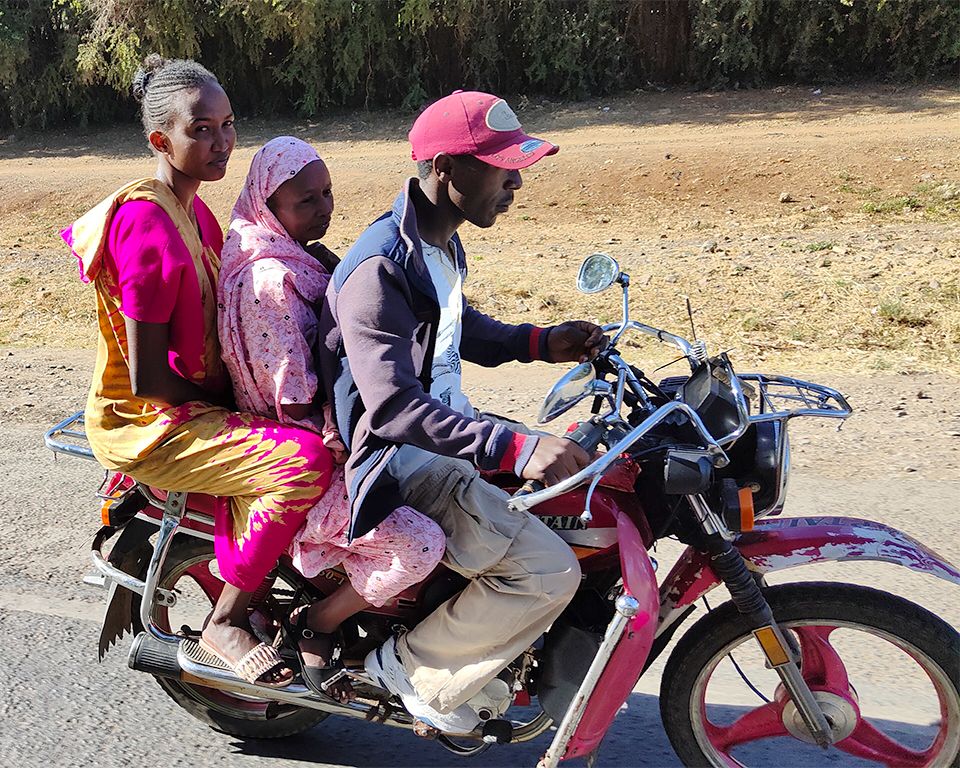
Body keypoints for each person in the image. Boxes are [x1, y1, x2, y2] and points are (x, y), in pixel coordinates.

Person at [318, 90, 606, 733]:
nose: (516, 183)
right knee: (546, 570)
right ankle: (409, 667)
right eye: (502, 166)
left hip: (448, 438)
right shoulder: (379, 269)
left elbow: (455, 325)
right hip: (406, 460)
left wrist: (538, 341)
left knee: (585, 491)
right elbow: (391, 406)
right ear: (447, 168)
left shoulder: (439, 244)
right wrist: (512, 448)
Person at [62, 55, 334, 689]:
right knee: (305, 461)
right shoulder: (145, 227)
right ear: (162, 141)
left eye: (228, 124)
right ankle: (228, 620)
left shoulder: (201, 212)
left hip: (196, 398)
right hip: (152, 419)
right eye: (202, 130)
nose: (222, 142)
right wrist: (236, 404)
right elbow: (151, 378)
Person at [217, 136, 445, 696]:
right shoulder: (270, 281)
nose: (324, 209)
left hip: (340, 432)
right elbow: (290, 394)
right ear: (269, 207)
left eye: (328, 193)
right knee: (420, 543)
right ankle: (317, 622)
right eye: (306, 201)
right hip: (307, 459)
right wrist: (349, 435)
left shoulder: (304, 256)